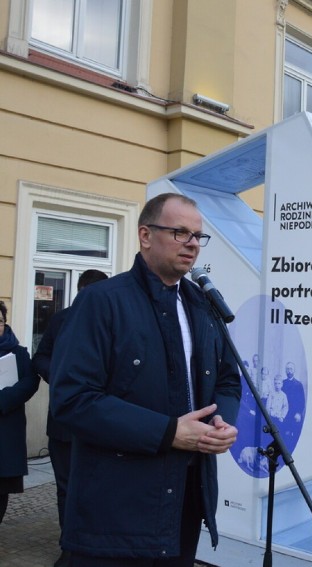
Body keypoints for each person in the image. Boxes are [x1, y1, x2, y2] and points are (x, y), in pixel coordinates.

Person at [50, 193, 241, 566]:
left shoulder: (203, 306)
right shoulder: (102, 302)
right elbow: (72, 400)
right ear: (145, 235)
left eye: (197, 236)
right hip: (116, 511)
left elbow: (228, 380)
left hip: (186, 500)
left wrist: (221, 420)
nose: (191, 244)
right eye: (179, 232)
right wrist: (167, 431)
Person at [32, 269, 108, 567]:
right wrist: (62, 378)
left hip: (101, 424)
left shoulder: (114, 320)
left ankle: (97, 545)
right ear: (79, 291)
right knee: (66, 488)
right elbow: (41, 357)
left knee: (99, 488)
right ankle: (70, 546)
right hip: (64, 424)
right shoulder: (60, 320)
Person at [0, 300, 40, 525]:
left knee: (0, 489)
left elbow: (30, 382)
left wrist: (4, 398)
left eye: (0, 321)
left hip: (6, 430)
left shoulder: (19, 353)